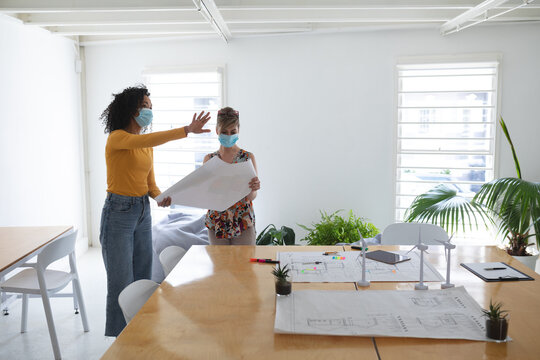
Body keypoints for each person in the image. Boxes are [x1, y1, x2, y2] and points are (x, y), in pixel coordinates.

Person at [99, 85, 210, 336]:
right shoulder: (117, 138)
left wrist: (160, 197)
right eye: (145, 106)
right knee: (120, 281)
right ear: (131, 110)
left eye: (151, 107)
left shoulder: (145, 146)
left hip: (141, 210)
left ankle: (142, 331)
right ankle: (121, 339)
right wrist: (186, 131)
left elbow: (150, 183)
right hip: (118, 213)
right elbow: (148, 139)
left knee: (143, 275)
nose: (149, 111)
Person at [204, 107, 261, 245]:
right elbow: (205, 195)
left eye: (232, 132)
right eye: (224, 132)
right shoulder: (209, 159)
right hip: (217, 221)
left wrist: (254, 188)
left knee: (244, 264)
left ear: (238, 131)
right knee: (220, 265)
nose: (228, 135)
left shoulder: (247, 157)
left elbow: (251, 197)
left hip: (243, 221)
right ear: (217, 131)